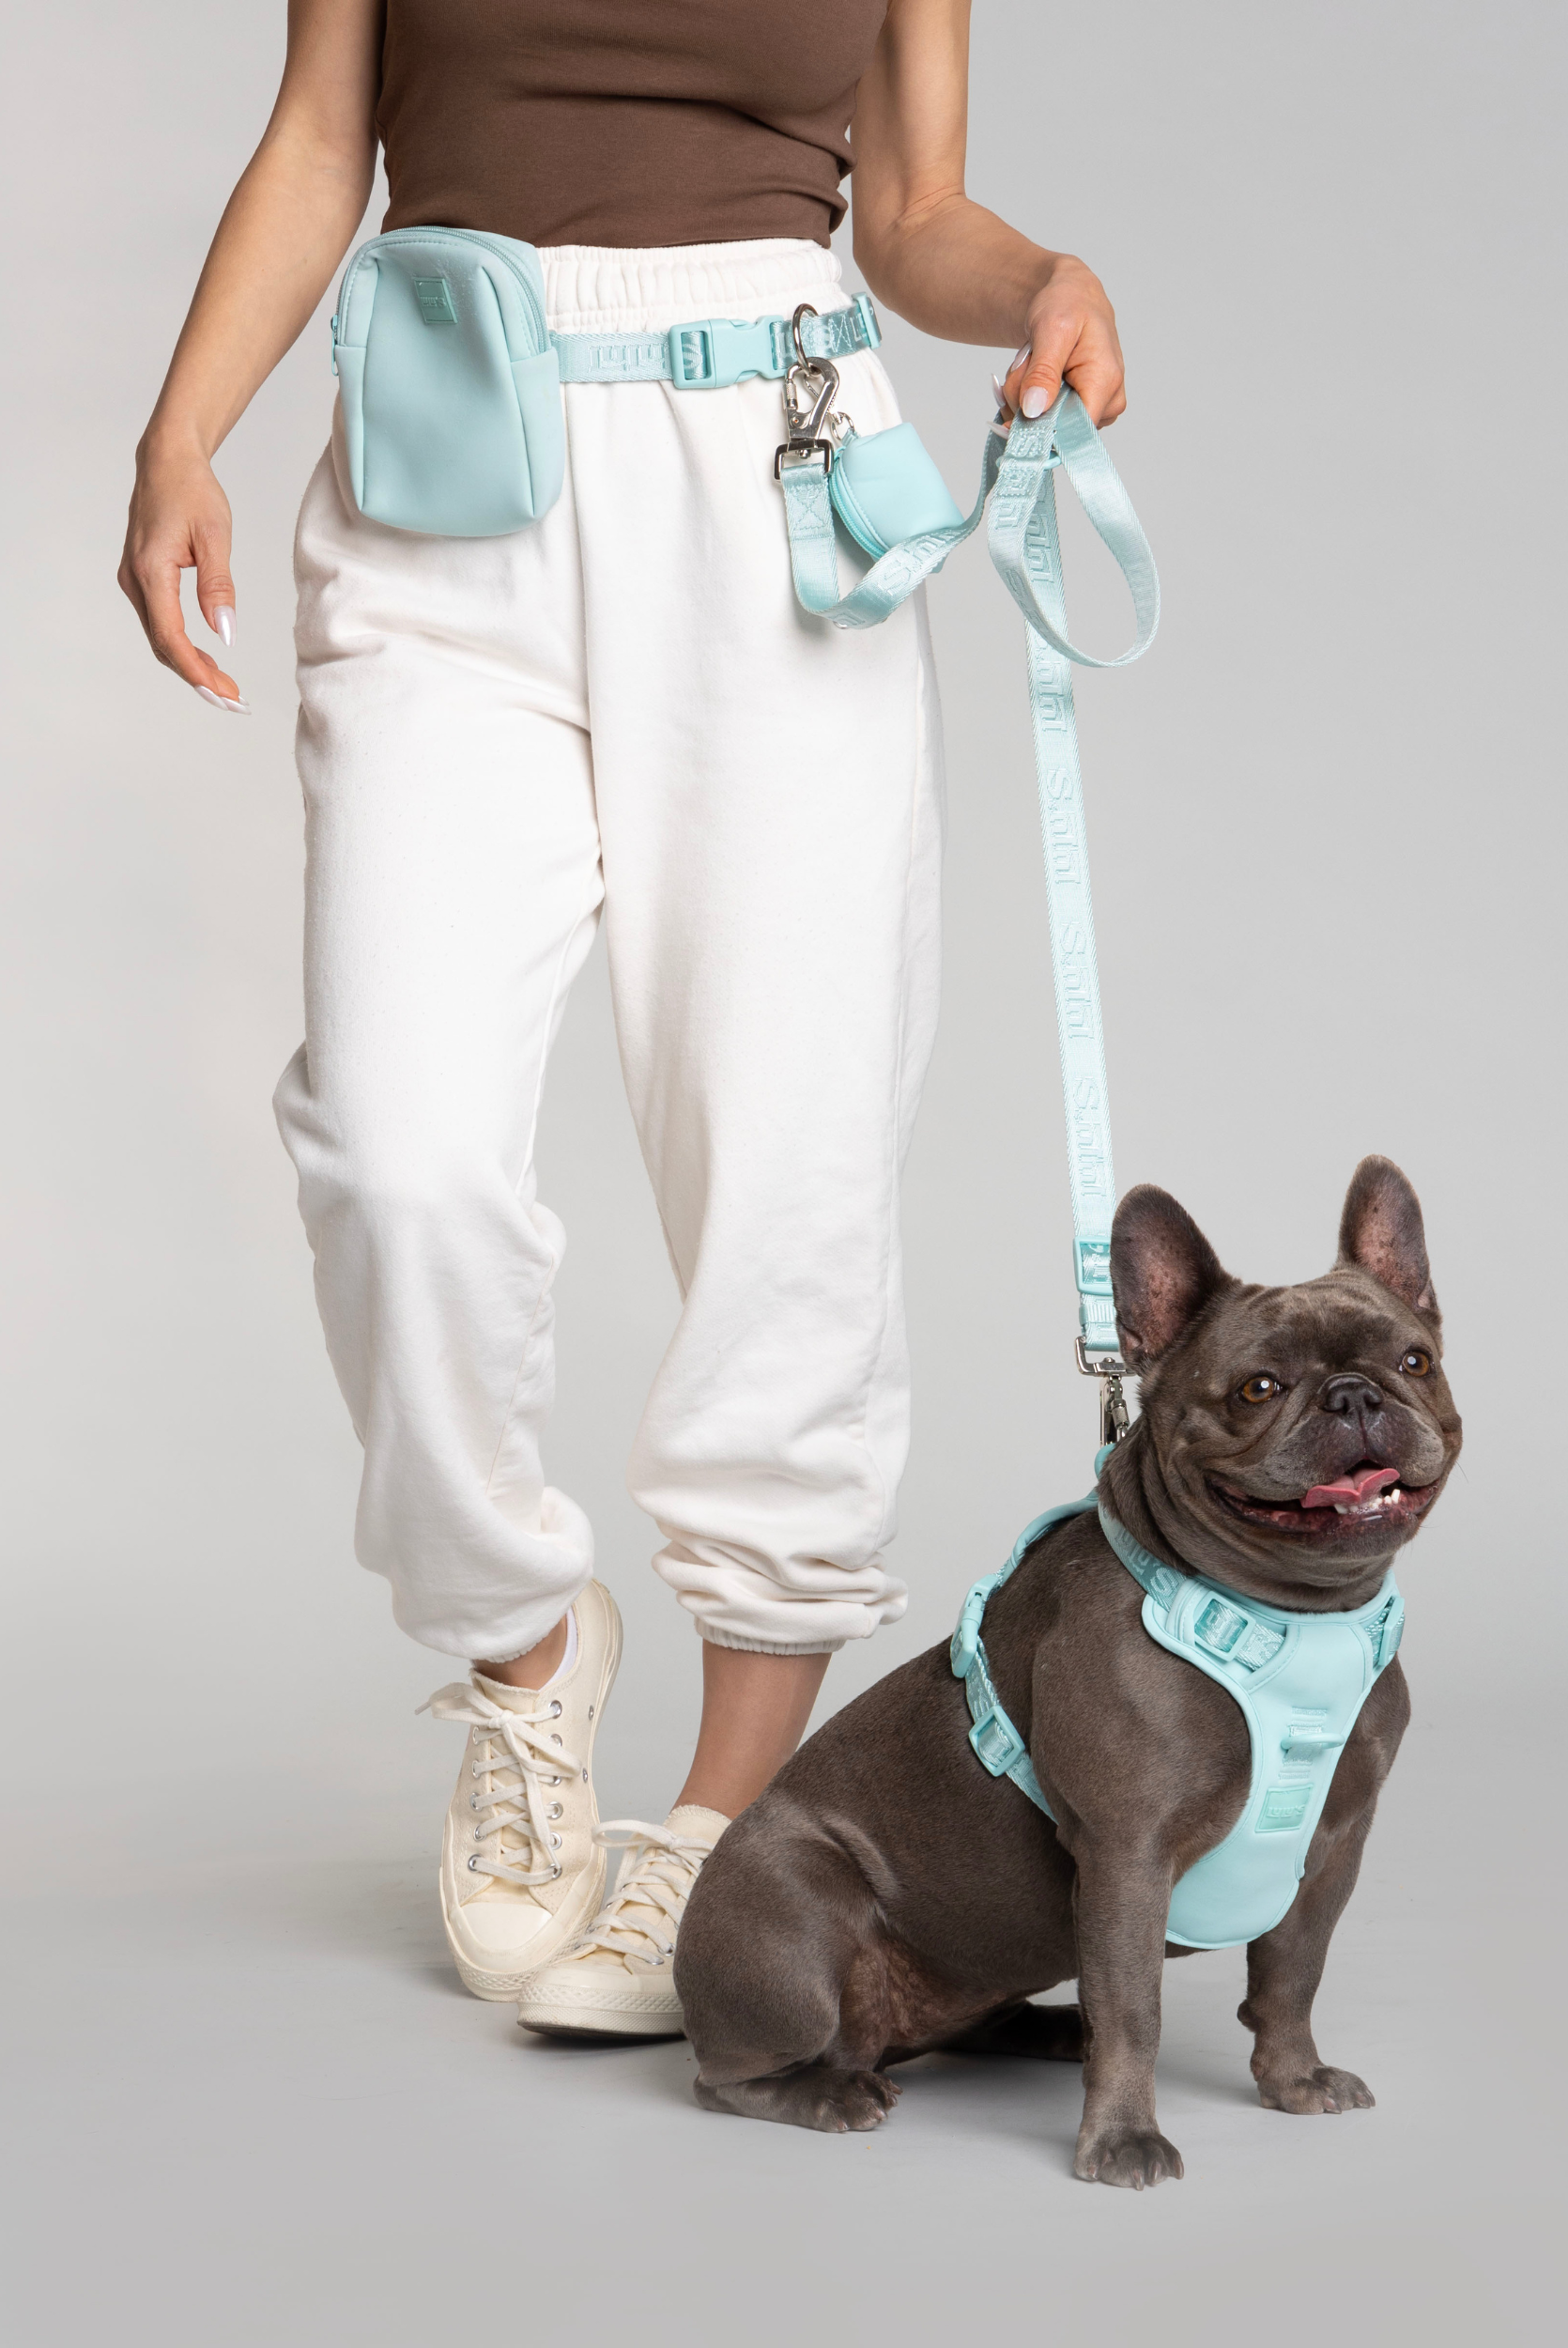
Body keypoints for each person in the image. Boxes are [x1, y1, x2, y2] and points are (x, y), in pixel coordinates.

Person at [118, 0, 1127, 2038]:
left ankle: (729, 1798)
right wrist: (180, 430)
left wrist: (1037, 279)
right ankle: (514, 1642)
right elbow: (325, 134)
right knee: (393, 1145)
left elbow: (911, 208)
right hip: (442, 472)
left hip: (768, 470)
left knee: (790, 1145)